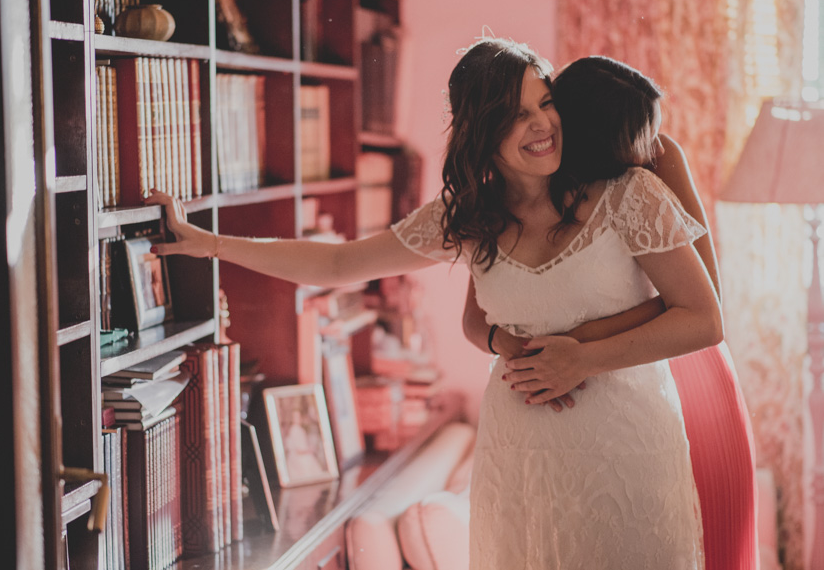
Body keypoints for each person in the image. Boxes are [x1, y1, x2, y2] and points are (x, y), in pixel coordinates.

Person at [145, 36, 721, 568]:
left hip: (628, 449)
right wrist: (211, 245)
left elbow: (704, 319)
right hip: (520, 458)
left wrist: (583, 358)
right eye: (517, 114)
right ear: (481, 132)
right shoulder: (468, 220)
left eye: (545, 103)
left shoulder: (627, 193)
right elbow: (339, 263)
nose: (542, 123)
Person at [462, 55, 758, 570]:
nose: (645, 147)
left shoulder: (658, 161)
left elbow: (701, 302)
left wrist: (585, 338)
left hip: (679, 365)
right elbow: (479, 315)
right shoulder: (530, 180)